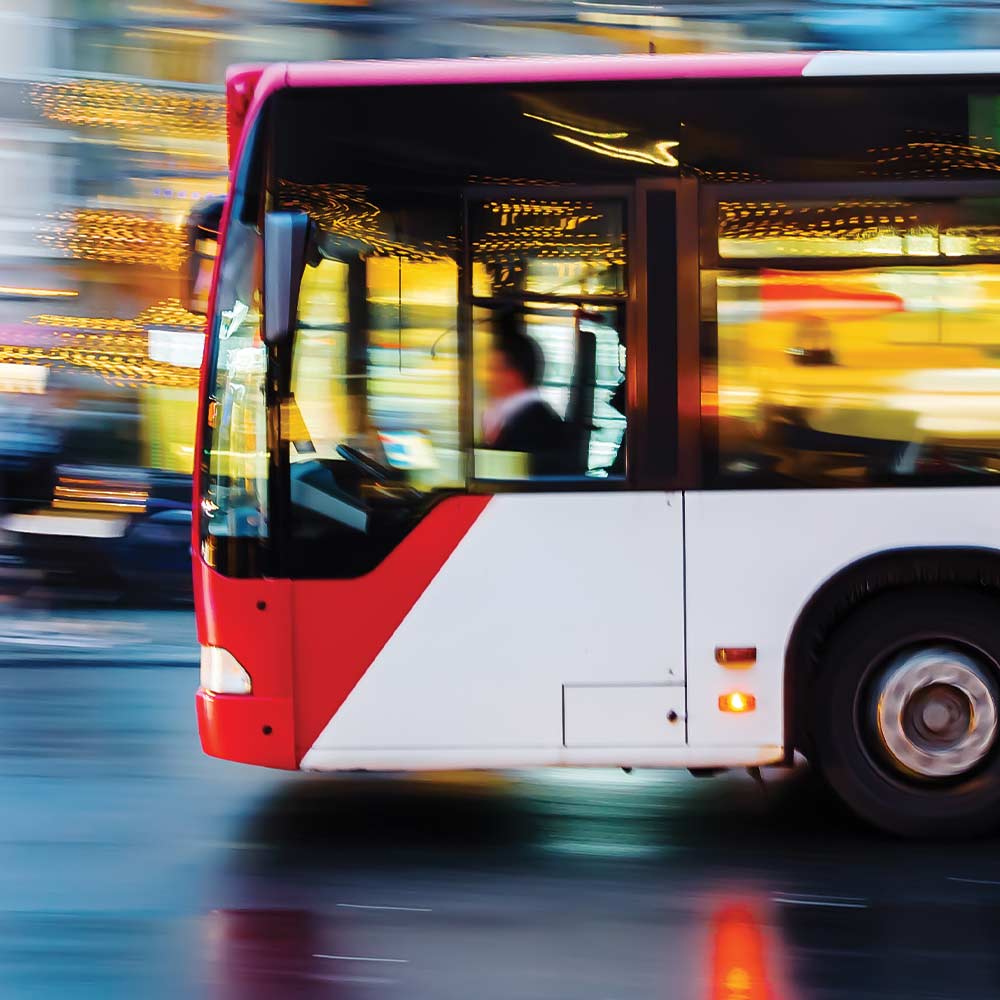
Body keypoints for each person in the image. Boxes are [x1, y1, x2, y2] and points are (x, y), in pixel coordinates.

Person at [481, 313, 572, 476]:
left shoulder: (537, 425)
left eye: (493, 369)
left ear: (514, 375)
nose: (486, 377)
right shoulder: (513, 416)